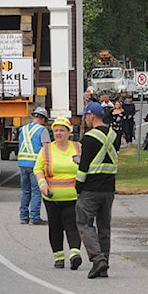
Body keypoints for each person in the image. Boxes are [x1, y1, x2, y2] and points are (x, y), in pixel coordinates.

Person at [75, 101, 118, 279]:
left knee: (84, 223)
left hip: (91, 188)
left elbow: (85, 165)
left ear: (92, 116)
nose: (85, 119)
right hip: (109, 188)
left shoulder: (89, 137)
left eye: (86, 116)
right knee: (104, 227)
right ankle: (104, 265)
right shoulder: (114, 135)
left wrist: (78, 185)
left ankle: (97, 259)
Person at [34, 116, 83, 271]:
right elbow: (38, 169)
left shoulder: (78, 147)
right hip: (52, 197)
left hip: (73, 196)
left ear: (69, 132)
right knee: (55, 227)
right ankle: (59, 257)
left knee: (72, 225)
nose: (58, 133)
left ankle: (75, 255)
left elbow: (86, 167)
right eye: (56, 130)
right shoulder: (47, 149)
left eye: (62, 130)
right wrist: (43, 185)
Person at [18, 106, 51, 225]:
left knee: (26, 191)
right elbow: (46, 148)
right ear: (42, 119)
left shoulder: (23, 129)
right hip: (36, 165)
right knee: (36, 191)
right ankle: (34, 217)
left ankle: (23, 217)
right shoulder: (42, 130)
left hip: (22, 163)